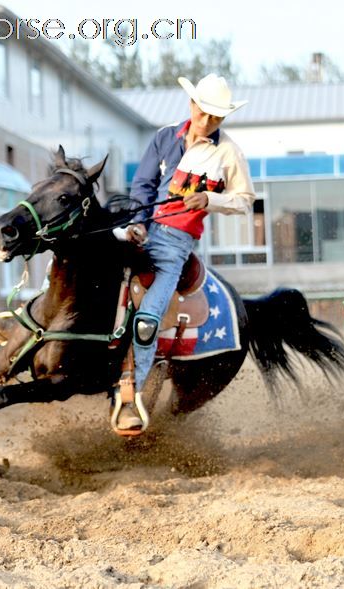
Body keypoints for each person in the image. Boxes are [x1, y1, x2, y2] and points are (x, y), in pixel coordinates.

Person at [111, 73, 256, 431]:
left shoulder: (228, 152)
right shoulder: (164, 137)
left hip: (176, 243)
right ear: (191, 105)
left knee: (147, 321)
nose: (207, 122)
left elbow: (245, 199)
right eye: (203, 113)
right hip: (141, 229)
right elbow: (143, 184)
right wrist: (139, 222)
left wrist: (210, 198)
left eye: (216, 118)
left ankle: (132, 399)